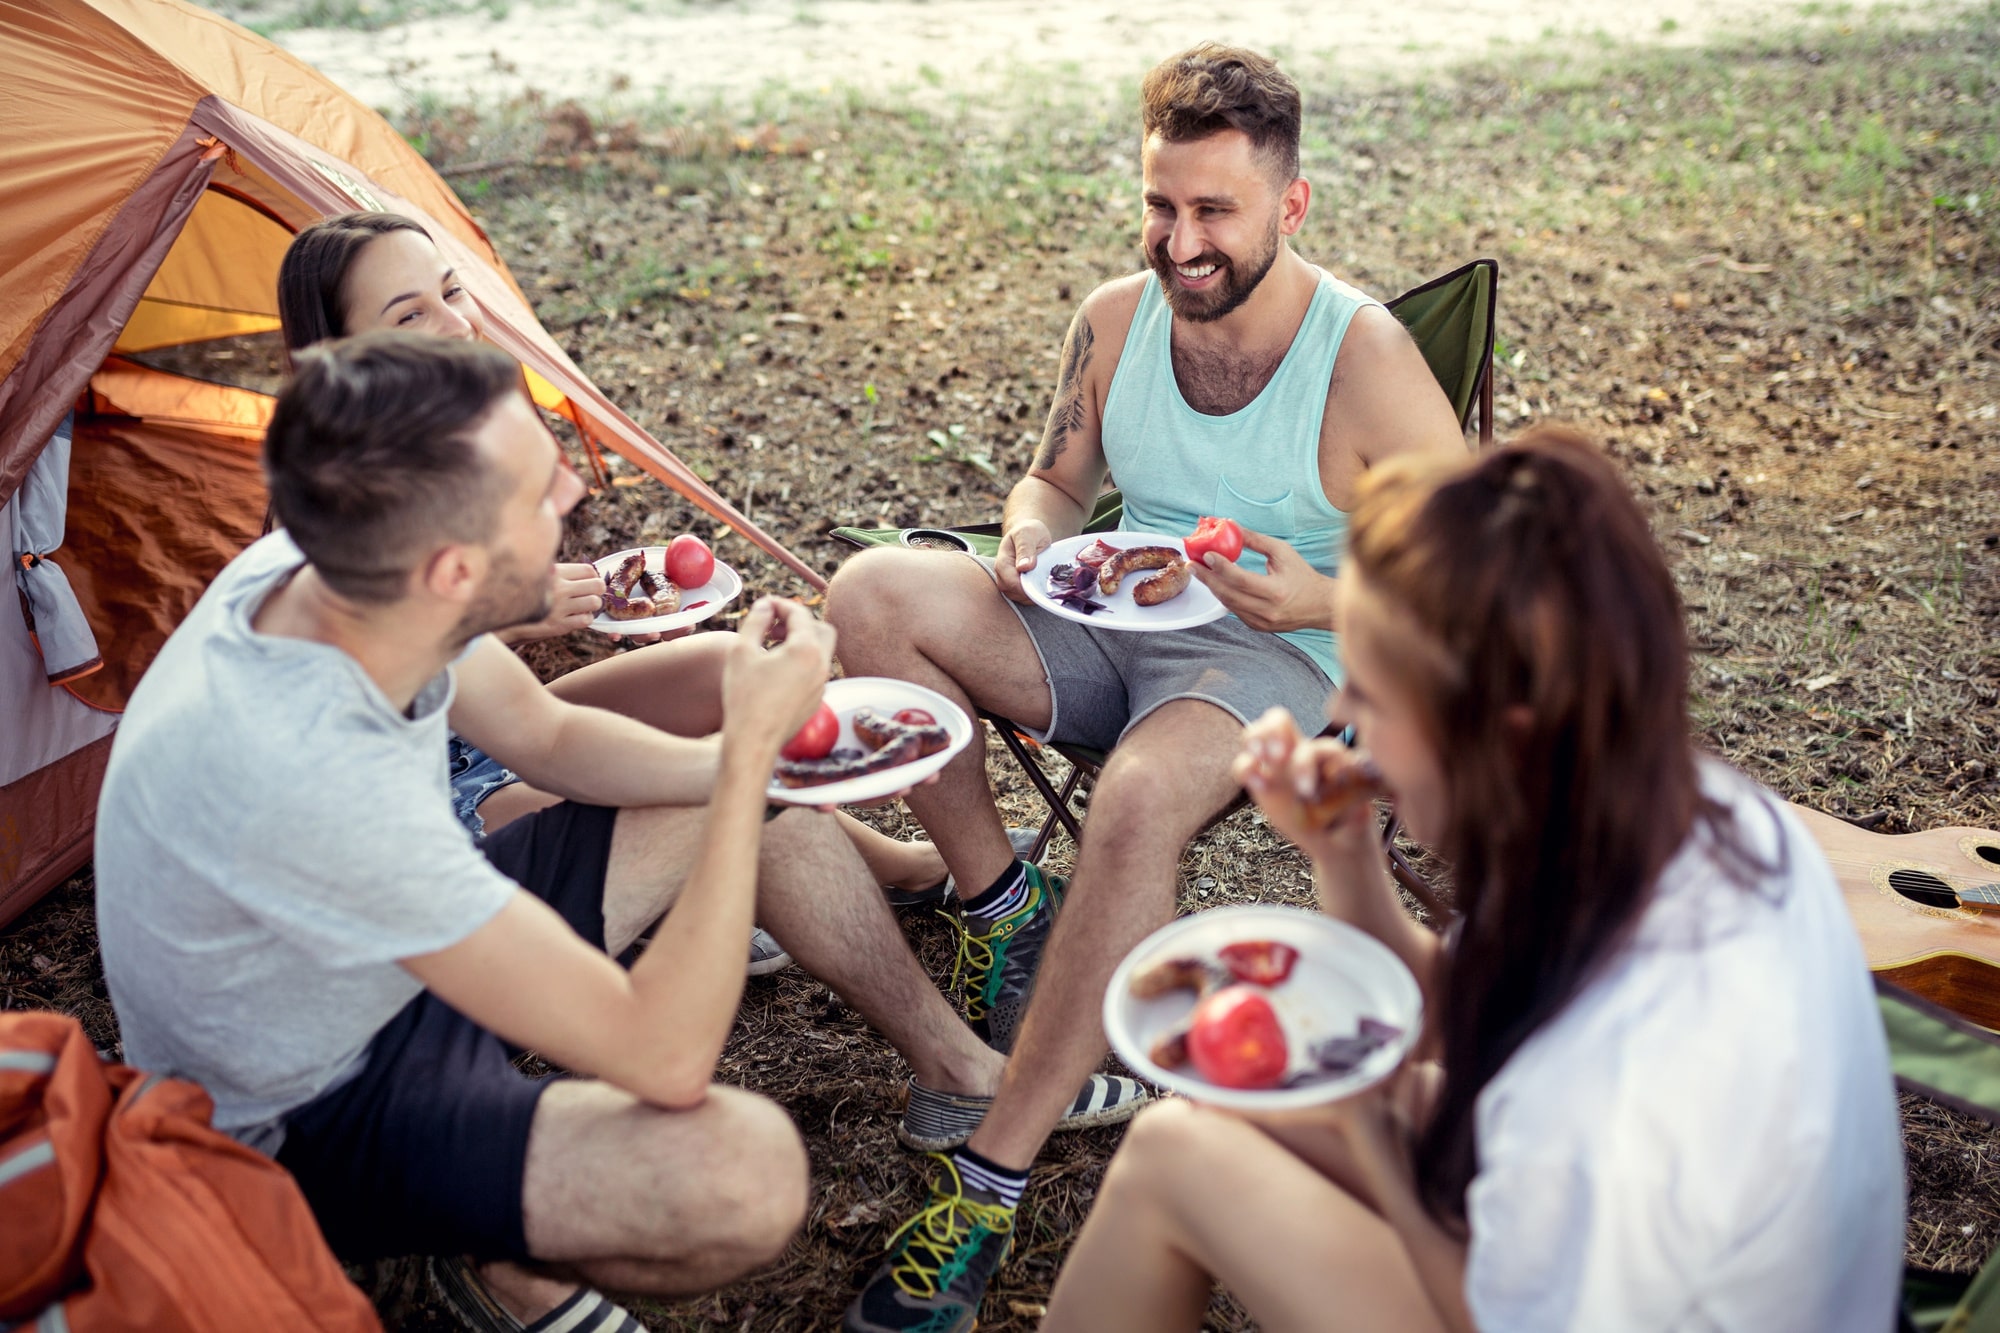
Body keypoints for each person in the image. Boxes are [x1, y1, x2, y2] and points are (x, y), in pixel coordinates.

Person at [93, 334, 1126, 1333]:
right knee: (742, 1177)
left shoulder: (334, 568)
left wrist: (755, 759)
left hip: (391, 956)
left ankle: (956, 1075)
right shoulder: (311, 780)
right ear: (454, 571)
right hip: (314, 1105)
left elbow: (544, 733)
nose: (572, 500)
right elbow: (663, 1054)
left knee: (741, 770)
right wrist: (742, 781)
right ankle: (491, 1252)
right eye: (538, 494)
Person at [825, 43, 1467, 1331]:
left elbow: (1484, 584)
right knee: (868, 594)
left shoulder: (1365, 358)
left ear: (1290, 205)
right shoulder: (1116, 318)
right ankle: (1004, 906)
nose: (1181, 243)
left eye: (1213, 211)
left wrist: (1326, 602)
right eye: (1160, 206)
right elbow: (1056, 482)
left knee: (1131, 802)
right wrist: (1025, 528)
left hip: (1273, 653)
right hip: (1108, 615)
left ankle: (988, 1180)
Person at [1039, 428, 1906, 1332]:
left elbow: (1483, 1305)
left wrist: (1368, 1116)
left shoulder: (1616, 1051)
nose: (1339, 713)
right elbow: (1461, 1012)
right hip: (1663, 1263)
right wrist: (1344, 856)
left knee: (1178, 1156)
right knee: (1222, 1110)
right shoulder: (1653, 808)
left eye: (1372, 692)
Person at [277, 212, 960, 978]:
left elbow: (500, 700)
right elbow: (380, 718)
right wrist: (507, 617)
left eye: (451, 291)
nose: (456, 324)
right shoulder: (341, 522)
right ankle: (738, 889)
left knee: (719, 663)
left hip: (481, 739)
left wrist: (510, 616)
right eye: (409, 315)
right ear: (335, 358)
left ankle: (894, 866)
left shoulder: (443, 453)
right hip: (431, 811)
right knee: (714, 784)